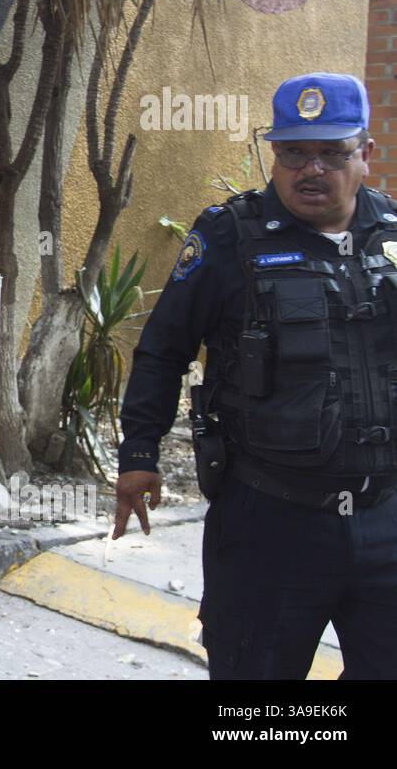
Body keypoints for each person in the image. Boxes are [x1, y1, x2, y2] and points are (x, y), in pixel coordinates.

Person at [115, 72, 397, 679]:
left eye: (331, 152)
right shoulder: (228, 237)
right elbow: (163, 349)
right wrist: (139, 454)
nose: (310, 169)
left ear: (365, 154)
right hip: (270, 522)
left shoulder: (393, 234)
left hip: (387, 517)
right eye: (294, 152)